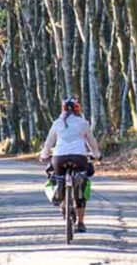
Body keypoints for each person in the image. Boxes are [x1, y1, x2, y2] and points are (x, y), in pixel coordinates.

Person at [39, 98, 102, 233]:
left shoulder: (57, 123)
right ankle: (80, 222)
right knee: (81, 185)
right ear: (77, 109)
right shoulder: (83, 123)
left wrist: (44, 156)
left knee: (57, 178)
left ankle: (62, 203)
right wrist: (96, 155)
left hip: (59, 158)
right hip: (79, 157)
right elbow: (92, 141)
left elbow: (49, 142)